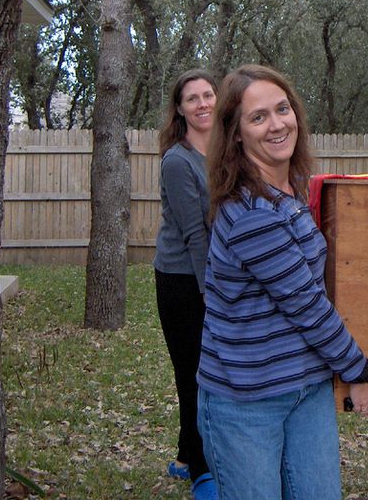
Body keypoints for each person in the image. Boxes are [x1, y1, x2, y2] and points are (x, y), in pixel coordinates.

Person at [197, 64, 368, 500]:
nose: (277, 124)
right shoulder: (250, 213)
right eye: (258, 117)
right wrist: (360, 370)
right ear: (236, 134)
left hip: (307, 388)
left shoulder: (290, 192)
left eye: (283, 109)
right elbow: (307, 306)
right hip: (248, 400)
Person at [155, 69, 220, 500]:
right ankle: (201, 471)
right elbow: (195, 233)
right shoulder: (178, 161)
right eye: (192, 98)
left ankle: (183, 455)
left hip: (211, 273)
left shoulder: (226, 151)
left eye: (208, 95)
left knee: (206, 369)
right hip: (182, 280)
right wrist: (209, 291)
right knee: (193, 373)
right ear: (179, 108)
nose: (202, 104)